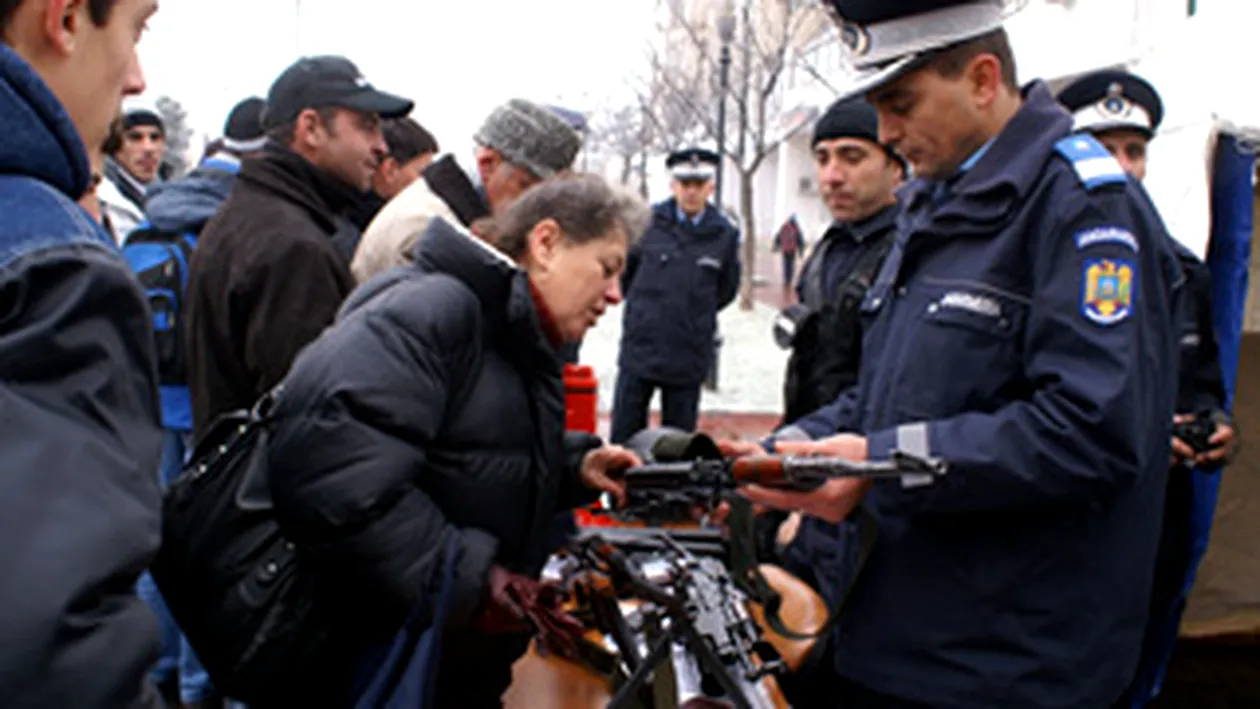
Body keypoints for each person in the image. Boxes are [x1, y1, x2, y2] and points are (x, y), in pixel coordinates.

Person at [725, 2, 1185, 707]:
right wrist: (804, 446)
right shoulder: (935, 202)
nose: (886, 132)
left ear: (982, 78)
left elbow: (1094, 427)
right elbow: (895, 394)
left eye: (902, 104)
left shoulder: (1086, 209)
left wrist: (881, 468)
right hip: (897, 633)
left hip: (1004, 666)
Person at [263, 174, 649, 708]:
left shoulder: (509, 330)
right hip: (384, 662)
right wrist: (472, 580)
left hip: (442, 657)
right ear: (545, 243)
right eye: (606, 269)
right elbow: (331, 472)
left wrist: (572, 467)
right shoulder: (435, 311)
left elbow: (467, 454)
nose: (614, 295)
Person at [0, 0, 164, 706]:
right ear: (63, 19)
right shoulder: (49, 260)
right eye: (137, 28)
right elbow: (52, 650)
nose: (135, 77)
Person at [1058, 68, 1237, 709]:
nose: (1125, 168)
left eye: (1135, 150)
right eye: (1105, 149)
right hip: (1074, 521)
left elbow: (1207, 380)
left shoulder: (1182, 271)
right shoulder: (1044, 260)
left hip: (1157, 516)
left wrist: (1214, 426)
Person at [183, 55, 412, 437]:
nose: (381, 146)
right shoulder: (293, 248)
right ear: (311, 128)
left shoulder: (252, 215)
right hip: (270, 490)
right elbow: (311, 426)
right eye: (367, 126)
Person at [131, 95, 267, 709]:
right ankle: (198, 684)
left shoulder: (167, 203)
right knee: (207, 549)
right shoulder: (238, 210)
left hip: (154, 394)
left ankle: (160, 669)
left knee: (160, 544)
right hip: (205, 402)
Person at [352, 98, 581, 283]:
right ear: (488, 163)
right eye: (526, 186)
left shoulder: (444, 218)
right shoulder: (427, 231)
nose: (535, 205)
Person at [775, 97, 904, 424]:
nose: (832, 176)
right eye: (822, 158)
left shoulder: (912, 250)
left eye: (852, 157)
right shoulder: (829, 245)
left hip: (863, 453)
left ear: (895, 167)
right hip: (807, 441)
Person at [610, 147, 740, 444]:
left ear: (711, 187)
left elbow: (726, 290)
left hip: (687, 353)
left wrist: (692, 312)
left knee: (678, 446)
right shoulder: (647, 223)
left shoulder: (724, 234)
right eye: (684, 184)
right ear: (673, 186)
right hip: (641, 349)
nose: (691, 192)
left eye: (698, 185)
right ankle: (623, 491)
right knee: (623, 439)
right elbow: (627, 275)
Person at [347, 116, 439, 231]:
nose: (430, 182)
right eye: (423, 173)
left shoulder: (346, 220)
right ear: (390, 170)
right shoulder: (400, 229)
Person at [99, 95, 165, 242]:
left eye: (155, 137)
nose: (148, 148)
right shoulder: (100, 201)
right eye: (135, 138)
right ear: (114, 145)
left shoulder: (168, 201)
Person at [771, 214, 804, 296]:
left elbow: (778, 237)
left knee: (786, 264)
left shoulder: (784, 227)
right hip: (792, 250)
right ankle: (789, 280)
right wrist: (801, 252)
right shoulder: (796, 229)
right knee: (791, 265)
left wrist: (776, 246)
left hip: (785, 249)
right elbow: (800, 241)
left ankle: (786, 280)